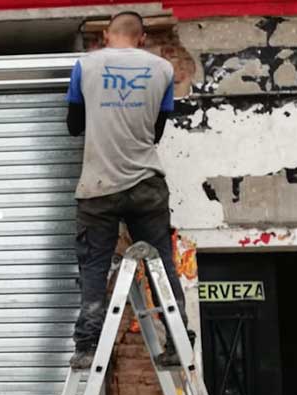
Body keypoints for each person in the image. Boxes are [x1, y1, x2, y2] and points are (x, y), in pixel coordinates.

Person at [65, 11, 190, 369]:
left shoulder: (85, 66)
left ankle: (87, 347)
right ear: (142, 37)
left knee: (94, 267)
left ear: (106, 35)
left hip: (99, 187)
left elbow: (74, 125)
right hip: (147, 184)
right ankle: (179, 342)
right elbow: (156, 133)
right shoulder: (163, 70)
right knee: (161, 265)